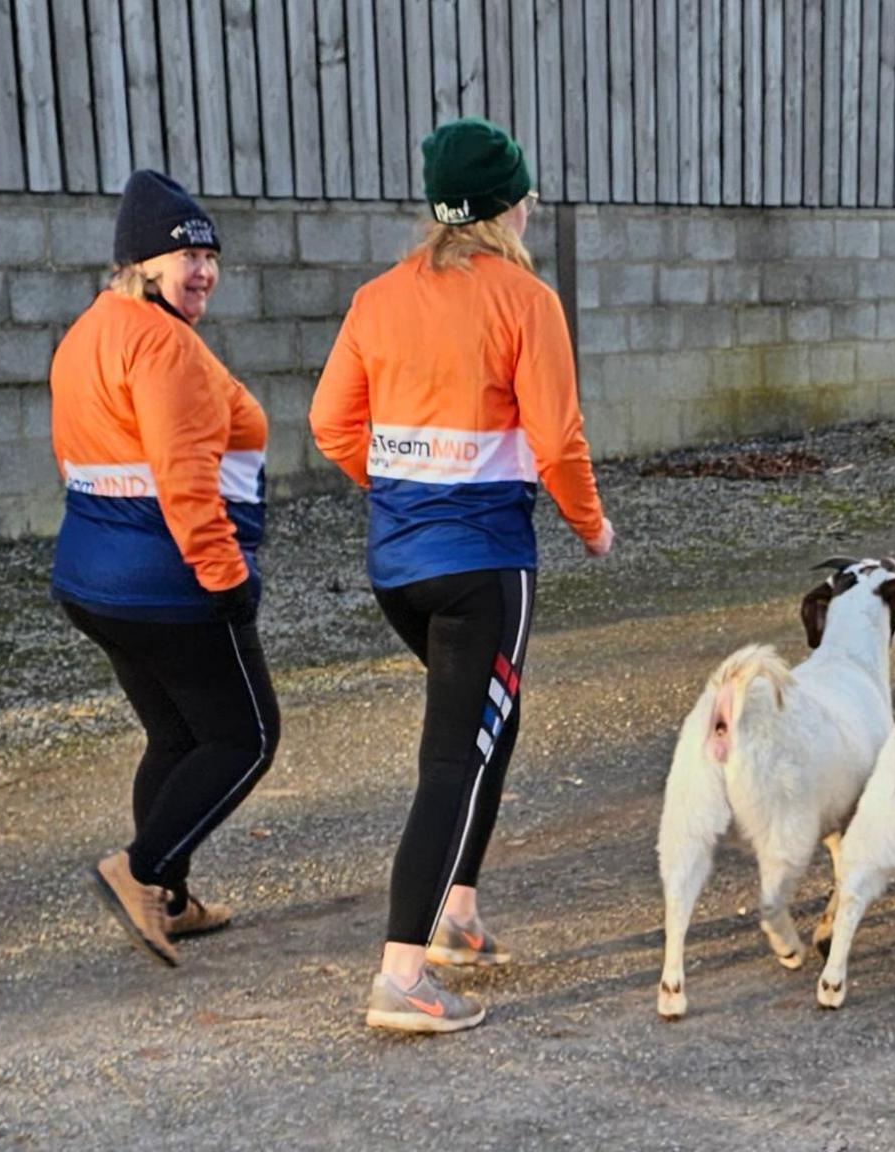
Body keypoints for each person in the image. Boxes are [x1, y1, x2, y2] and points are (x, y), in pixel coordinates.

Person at [311, 118, 613, 1034]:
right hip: (483, 566)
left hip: (398, 567)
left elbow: (332, 426)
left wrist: (406, 497)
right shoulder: (526, 302)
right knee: (454, 756)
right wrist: (591, 528)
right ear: (507, 206)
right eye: (526, 194)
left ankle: (458, 914)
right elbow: (558, 440)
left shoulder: (377, 299)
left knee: (491, 723)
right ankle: (403, 977)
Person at [52, 170, 280, 967]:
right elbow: (186, 484)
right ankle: (139, 871)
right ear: (143, 263)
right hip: (170, 582)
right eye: (189, 257)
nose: (205, 271)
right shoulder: (164, 347)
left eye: (212, 256)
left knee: (178, 734)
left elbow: (79, 457)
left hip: (96, 578)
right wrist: (229, 583)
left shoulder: (91, 332)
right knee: (247, 736)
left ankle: (171, 901)